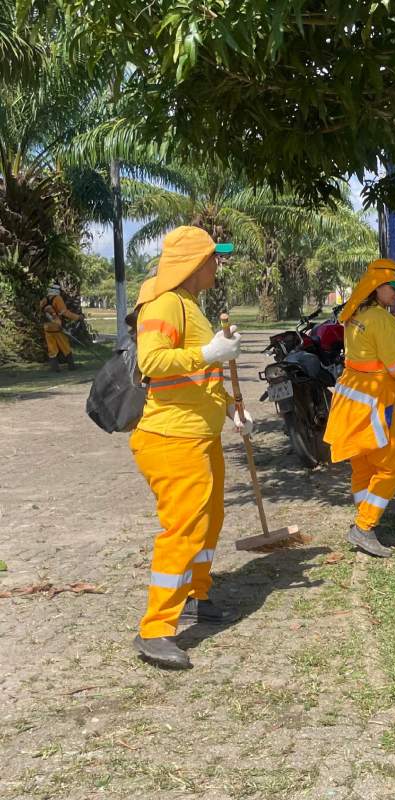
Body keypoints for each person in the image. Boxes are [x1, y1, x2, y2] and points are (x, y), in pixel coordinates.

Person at [129, 226, 247, 669]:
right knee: (183, 529)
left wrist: (231, 408)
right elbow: (152, 361)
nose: (220, 264)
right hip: (173, 437)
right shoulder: (164, 303)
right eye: (215, 257)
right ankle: (155, 629)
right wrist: (210, 353)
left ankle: (197, 593)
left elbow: (200, 377)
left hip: (200, 433)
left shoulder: (189, 304)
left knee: (209, 520)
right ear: (196, 263)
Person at [323, 259, 395, 558]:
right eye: (394, 289)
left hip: (351, 401)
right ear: (376, 287)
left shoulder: (355, 314)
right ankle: (364, 527)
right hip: (377, 406)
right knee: (392, 469)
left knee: (363, 466)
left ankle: (366, 521)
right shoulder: (381, 320)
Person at [40, 283, 84, 371]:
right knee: (65, 346)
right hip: (57, 327)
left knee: (52, 349)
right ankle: (71, 366)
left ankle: (55, 368)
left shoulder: (44, 300)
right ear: (57, 291)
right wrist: (78, 317)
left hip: (47, 327)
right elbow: (65, 312)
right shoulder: (57, 299)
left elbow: (42, 312)